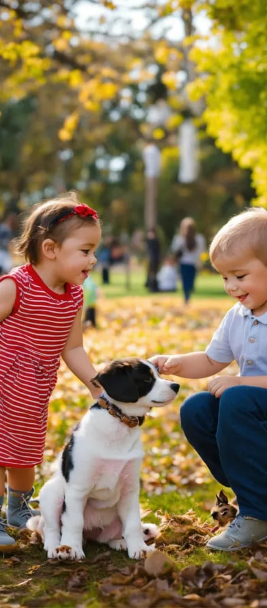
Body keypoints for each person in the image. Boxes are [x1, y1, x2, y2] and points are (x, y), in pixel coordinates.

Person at [151, 208, 267, 550]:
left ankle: (258, 516)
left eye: (240, 275)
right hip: (251, 417)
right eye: (224, 278)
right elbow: (210, 359)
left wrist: (242, 384)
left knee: (234, 397)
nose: (231, 287)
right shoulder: (239, 315)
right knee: (197, 408)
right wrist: (175, 363)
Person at [0, 196, 105, 549]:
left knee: (25, 455)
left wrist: (97, 386)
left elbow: (72, 347)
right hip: (3, 386)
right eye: (86, 250)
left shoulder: (74, 297)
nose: (93, 260)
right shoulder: (16, 286)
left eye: (95, 251)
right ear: (50, 249)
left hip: (33, 394)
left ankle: (17, 508)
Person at [171, 217, 206, 304]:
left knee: (186, 281)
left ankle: (187, 296)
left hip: (185, 263)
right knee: (189, 281)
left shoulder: (181, 239)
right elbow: (202, 251)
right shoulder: (197, 238)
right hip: (192, 263)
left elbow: (174, 250)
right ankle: (187, 297)